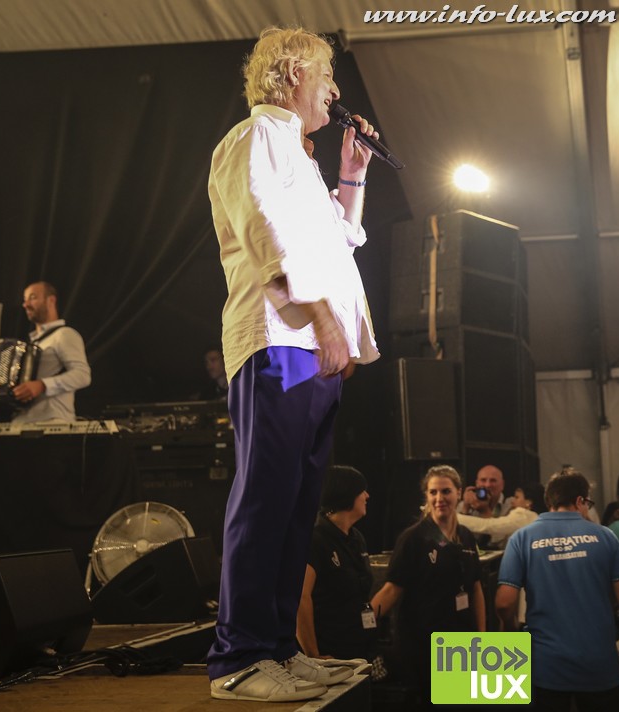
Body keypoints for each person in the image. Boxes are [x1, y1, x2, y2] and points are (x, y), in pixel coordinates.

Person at [206, 26, 381, 703]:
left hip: (309, 350)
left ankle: (278, 647)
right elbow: (263, 232)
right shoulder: (256, 136)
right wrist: (321, 317)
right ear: (293, 72)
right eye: (327, 75)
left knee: (297, 504)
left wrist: (352, 174)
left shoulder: (300, 159)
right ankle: (238, 657)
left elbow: (340, 240)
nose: (335, 90)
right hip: (278, 341)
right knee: (266, 495)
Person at [495, 469, 619, 711]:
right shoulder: (606, 537)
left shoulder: (521, 538)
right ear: (580, 500)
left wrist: (510, 634)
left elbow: (504, 603)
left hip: (544, 665)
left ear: (549, 501)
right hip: (599, 664)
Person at [371, 465, 485, 704]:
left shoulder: (466, 536)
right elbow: (391, 590)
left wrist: (482, 638)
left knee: (470, 704)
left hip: (462, 644)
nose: (439, 498)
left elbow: (475, 588)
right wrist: (362, 627)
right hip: (425, 647)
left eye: (446, 491)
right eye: (433, 492)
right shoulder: (413, 539)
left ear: (459, 493)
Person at [295, 466, 374, 664]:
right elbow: (300, 597)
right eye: (362, 490)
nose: (367, 496)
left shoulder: (356, 537)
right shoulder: (314, 539)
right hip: (330, 654)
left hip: (359, 647)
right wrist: (313, 654)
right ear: (347, 494)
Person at [10, 281, 91, 424]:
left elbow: (82, 375)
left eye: (33, 297)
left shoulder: (64, 334)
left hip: (52, 421)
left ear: (51, 300)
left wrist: (43, 385)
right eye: (25, 300)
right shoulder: (30, 344)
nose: (26, 304)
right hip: (20, 422)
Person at [458, 481, 546, 547]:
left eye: (517, 497)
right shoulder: (537, 518)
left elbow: (488, 526)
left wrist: (454, 517)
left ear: (528, 502)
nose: (512, 501)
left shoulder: (525, 516)